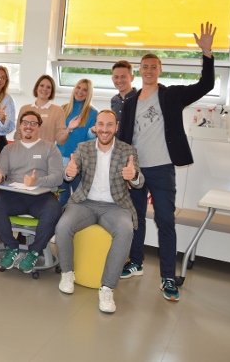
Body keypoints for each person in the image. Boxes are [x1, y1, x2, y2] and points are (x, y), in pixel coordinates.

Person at [117, 22, 216, 302]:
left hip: (162, 170)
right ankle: (136, 262)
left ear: (160, 70)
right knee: (135, 219)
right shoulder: (130, 102)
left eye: (153, 67)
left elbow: (206, 85)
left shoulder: (171, 95)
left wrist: (207, 53)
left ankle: (168, 278)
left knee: (165, 222)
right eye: (144, 67)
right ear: (139, 71)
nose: (149, 70)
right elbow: (124, 138)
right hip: (136, 171)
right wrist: (125, 168)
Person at [55, 110, 144, 314]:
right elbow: (69, 173)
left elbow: (139, 183)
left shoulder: (128, 151)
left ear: (116, 127)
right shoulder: (83, 148)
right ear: (95, 127)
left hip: (116, 206)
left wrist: (134, 176)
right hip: (85, 203)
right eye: (101, 124)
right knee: (63, 226)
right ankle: (67, 273)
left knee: (125, 231)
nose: (105, 129)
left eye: (109, 125)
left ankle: (107, 288)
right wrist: (68, 173)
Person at [0, 111, 63, 273]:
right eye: (25, 123)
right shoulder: (9, 149)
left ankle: (34, 252)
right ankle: (11, 247)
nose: (29, 126)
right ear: (20, 126)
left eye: (33, 123)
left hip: (41, 196)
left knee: (53, 211)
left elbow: (58, 177)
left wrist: (38, 181)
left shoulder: (50, 148)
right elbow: (0, 170)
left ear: (39, 127)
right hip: (14, 196)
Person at [56, 79, 98, 206]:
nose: (80, 92)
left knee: (80, 198)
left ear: (89, 93)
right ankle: (61, 219)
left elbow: (91, 141)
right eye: (78, 88)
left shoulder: (93, 113)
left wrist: (93, 132)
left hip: (79, 161)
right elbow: (57, 134)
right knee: (62, 196)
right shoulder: (63, 108)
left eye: (85, 90)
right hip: (60, 158)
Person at [14, 75, 75, 145]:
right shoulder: (24, 109)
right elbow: (18, 134)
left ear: (51, 91)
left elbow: (60, 140)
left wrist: (69, 129)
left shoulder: (58, 110)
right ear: (36, 88)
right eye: (42, 85)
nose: (45, 89)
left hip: (46, 151)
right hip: (25, 150)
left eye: (48, 87)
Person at [110, 60, 137, 127]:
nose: (119, 80)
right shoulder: (114, 100)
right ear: (112, 79)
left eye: (123, 76)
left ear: (132, 78)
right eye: (116, 77)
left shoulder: (140, 99)